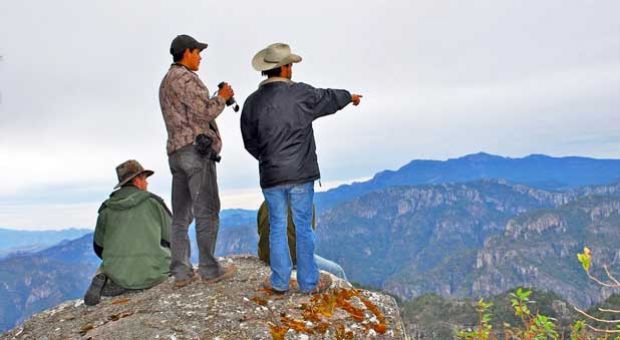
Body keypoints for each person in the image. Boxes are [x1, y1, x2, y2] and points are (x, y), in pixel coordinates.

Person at [241, 43, 362, 294]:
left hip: (271, 175)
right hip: (300, 174)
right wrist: (350, 97)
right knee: (303, 227)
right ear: (284, 68)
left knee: (276, 226)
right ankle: (308, 283)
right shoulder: (301, 94)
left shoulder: (251, 103)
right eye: (290, 65)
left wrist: (268, 159)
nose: (292, 69)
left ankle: (279, 282)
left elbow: (249, 142)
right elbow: (328, 98)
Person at [159, 34, 236, 287]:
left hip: (175, 153)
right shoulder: (185, 78)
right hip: (195, 152)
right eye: (197, 51)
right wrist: (222, 96)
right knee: (207, 210)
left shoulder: (165, 81)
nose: (200, 56)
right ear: (186, 52)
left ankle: (181, 272)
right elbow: (205, 111)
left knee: (180, 215)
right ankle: (210, 269)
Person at [84, 160, 172, 306]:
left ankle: (105, 276)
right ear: (137, 180)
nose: (147, 184)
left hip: (118, 274)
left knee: (108, 262)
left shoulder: (106, 208)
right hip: (154, 273)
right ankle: (146, 269)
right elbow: (174, 237)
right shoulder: (154, 202)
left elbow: (98, 247)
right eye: (145, 179)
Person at [257, 201, 348, 281]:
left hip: (266, 257)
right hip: (292, 259)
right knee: (337, 270)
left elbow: (260, 231)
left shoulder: (267, 202)